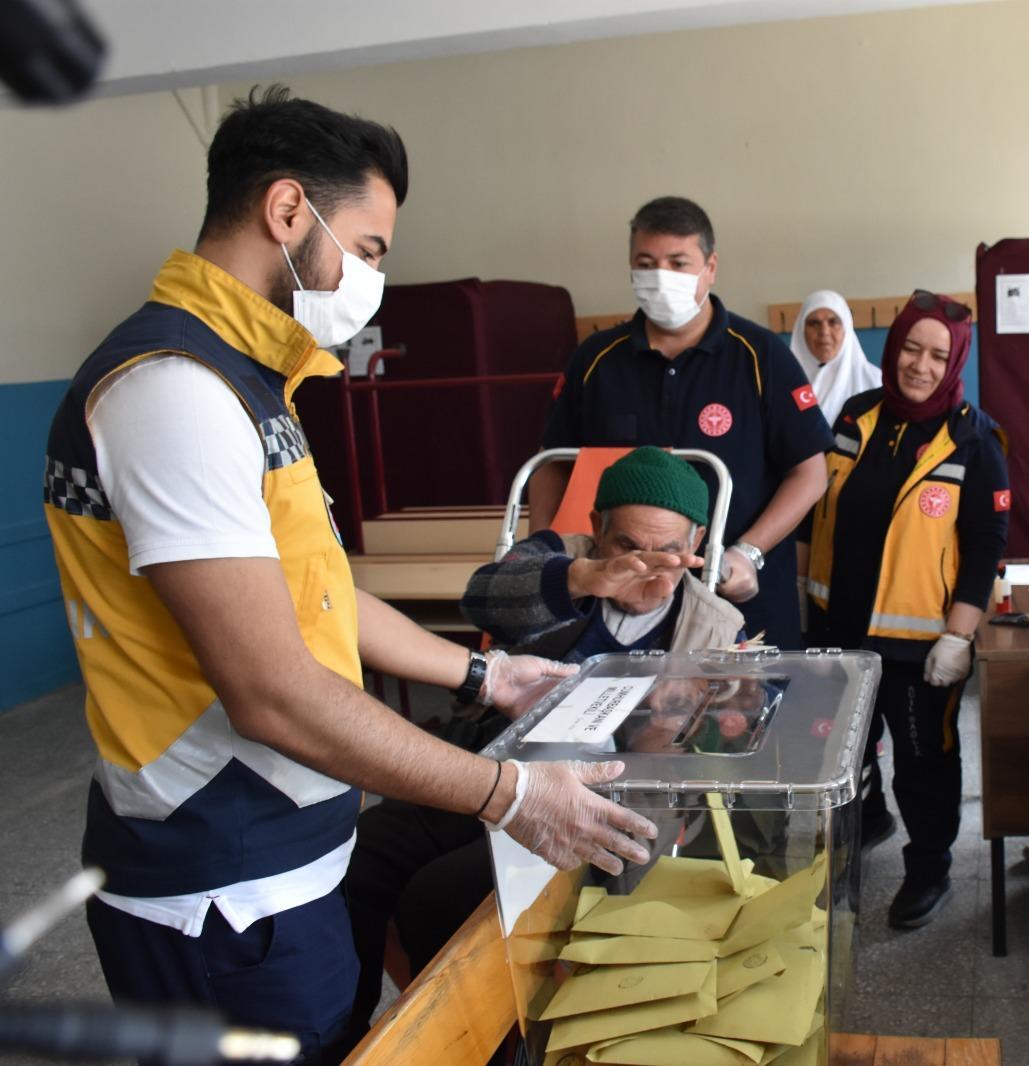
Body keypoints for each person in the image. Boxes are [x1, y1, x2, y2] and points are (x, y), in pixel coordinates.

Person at [40, 86, 654, 1062]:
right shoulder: (174, 393)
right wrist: (509, 794)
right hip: (223, 885)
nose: (371, 278)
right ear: (289, 212)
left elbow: (321, 600)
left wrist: (487, 676)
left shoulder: (249, 384)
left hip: (285, 848)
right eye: (368, 249)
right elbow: (273, 693)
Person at [346, 446, 743, 1032]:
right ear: (596, 530)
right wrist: (586, 578)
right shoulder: (558, 559)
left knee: (437, 896)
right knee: (365, 851)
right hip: (501, 764)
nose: (647, 568)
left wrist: (680, 718)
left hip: (600, 798)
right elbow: (480, 597)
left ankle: (486, 1038)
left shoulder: (711, 622)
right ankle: (347, 1035)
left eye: (668, 551)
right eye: (626, 546)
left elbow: (712, 750)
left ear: (697, 542)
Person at [527, 196, 833, 650]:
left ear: (710, 267)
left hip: (736, 593)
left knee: (747, 714)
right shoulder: (596, 361)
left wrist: (748, 553)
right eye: (646, 263)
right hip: (618, 603)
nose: (660, 277)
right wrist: (542, 555)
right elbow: (552, 464)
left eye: (678, 262)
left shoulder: (761, 356)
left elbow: (810, 473)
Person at [804, 291, 1009, 929]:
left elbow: (986, 546)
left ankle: (930, 866)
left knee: (923, 763)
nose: (920, 365)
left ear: (955, 364)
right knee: (845, 750)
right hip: (839, 630)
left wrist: (960, 635)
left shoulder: (975, 440)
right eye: (911, 349)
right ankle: (869, 821)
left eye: (938, 355)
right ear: (891, 349)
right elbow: (818, 515)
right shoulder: (855, 417)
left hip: (918, 647)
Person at [790, 290, 881, 428]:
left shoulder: (875, 381)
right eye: (814, 323)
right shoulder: (783, 381)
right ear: (801, 331)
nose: (824, 332)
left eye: (833, 322)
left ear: (847, 328)